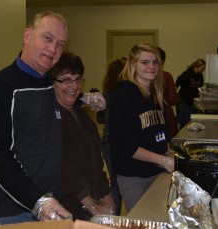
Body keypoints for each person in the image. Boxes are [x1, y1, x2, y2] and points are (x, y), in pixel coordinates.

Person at [0, 11, 105, 227]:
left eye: (61, 44)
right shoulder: (0, 87)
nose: (54, 49)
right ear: (27, 36)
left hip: (51, 202)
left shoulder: (46, 83)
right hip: (13, 212)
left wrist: (84, 98)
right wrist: (39, 202)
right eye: (48, 38)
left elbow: (48, 102)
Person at [49, 52, 116, 220]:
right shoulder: (51, 118)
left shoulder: (83, 115)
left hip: (89, 201)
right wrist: (90, 203)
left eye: (78, 79)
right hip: (67, 207)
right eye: (66, 80)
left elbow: (96, 160)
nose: (74, 86)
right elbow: (64, 167)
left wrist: (106, 193)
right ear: (52, 82)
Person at [109, 43, 175, 212]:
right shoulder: (123, 97)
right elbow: (127, 147)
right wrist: (164, 160)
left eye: (155, 62)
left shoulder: (154, 95)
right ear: (133, 65)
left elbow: (158, 134)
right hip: (134, 177)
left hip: (156, 172)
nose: (151, 66)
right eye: (145, 62)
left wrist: (169, 152)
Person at [96, 57, 127, 215]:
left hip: (108, 140)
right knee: (126, 180)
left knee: (114, 183)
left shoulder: (106, 94)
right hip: (123, 141)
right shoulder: (128, 93)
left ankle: (114, 218)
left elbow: (100, 119)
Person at [175, 59, 205, 130]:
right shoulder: (187, 73)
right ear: (197, 66)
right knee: (179, 119)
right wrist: (174, 96)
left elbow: (200, 87)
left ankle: (183, 134)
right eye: (202, 68)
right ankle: (175, 135)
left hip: (191, 102)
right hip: (182, 100)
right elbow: (177, 83)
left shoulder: (200, 76)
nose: (203, 70)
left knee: (187, 120)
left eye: (204, 68)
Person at [156, 47, 179, 140]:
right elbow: (173, 99)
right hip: (164, 115)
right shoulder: (166, 76)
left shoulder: (139, 77)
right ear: (163, 61)